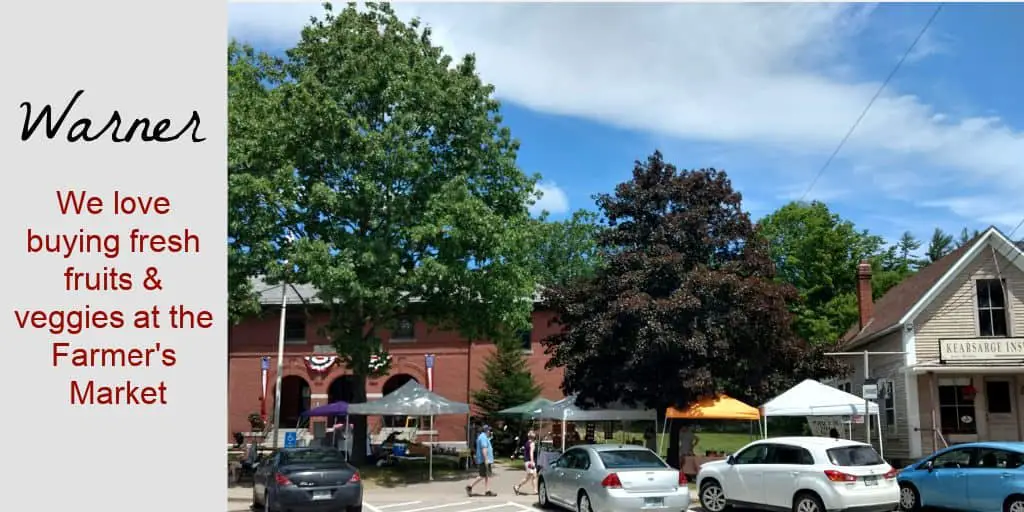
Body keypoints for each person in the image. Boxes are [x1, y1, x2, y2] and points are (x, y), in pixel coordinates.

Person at [467, 424, 496, 497]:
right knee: (482, 475)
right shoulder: (483, 437)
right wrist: (486, 459)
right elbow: (484, 449)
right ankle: (470, 486)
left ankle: (487, 490)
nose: (490, 431)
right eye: (489, 430)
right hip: (484, 460)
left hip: (484, 459)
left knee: (486, 475)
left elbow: (488, 441)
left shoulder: (483, 437)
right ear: (486, 430)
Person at [514, 431, 539, 495]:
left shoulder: (527, 442)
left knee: (534, 476)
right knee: (529, 477)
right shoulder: (532, 443)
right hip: (529, 462)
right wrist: (532, 461)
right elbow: (531, 453)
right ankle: (517, 486)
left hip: (527, 461)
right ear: (534, 437)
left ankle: (535, 490)